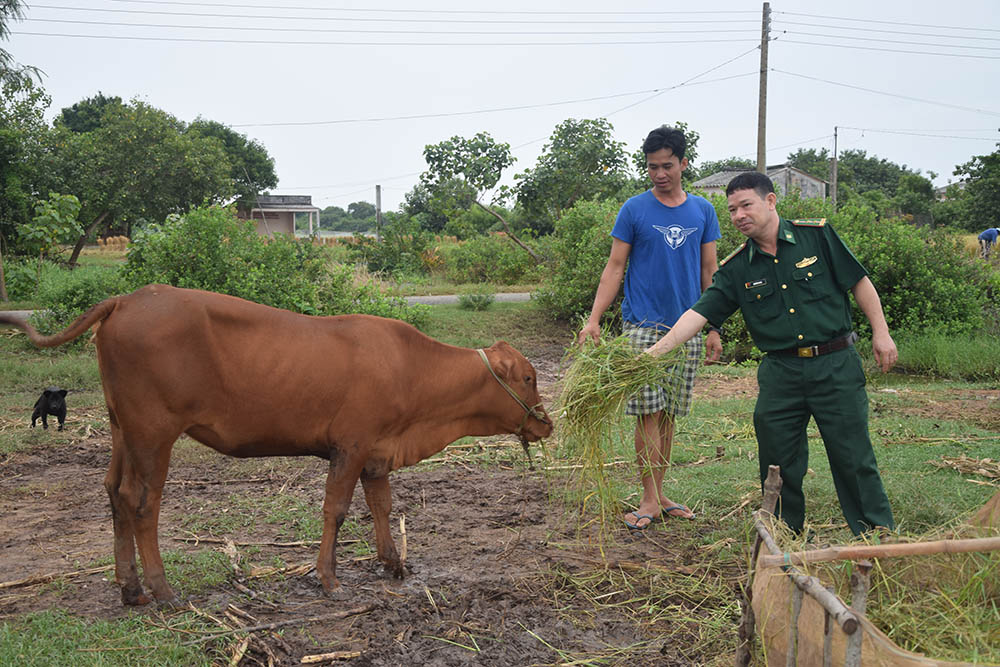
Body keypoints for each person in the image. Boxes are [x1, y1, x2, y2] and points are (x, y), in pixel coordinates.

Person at [645, 171, 896, 536]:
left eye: (745, 205)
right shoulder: (736, 269)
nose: (738, 216)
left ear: (770, 201)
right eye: (731, 210)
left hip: (835, 365)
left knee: (853, 457)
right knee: (778, 460)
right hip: (782, 373)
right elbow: (699, 313)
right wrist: (656, 352)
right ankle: (784, 537)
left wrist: (881, 332)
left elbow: (858, 281)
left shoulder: (816, 236)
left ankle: (876, 537)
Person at [578, 125, 722, 530]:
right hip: (642, 326)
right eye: (652, 167)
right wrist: (593, 321)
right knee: (647, 413)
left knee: (670, 414)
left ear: (684, 164)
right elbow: (615, 267)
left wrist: (714, 328)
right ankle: (647, 497)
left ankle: (659, 494)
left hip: (688, 327)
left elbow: (709, 271)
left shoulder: (702, 211)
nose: (660, 174)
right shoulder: (635, 209)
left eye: (667, 166)